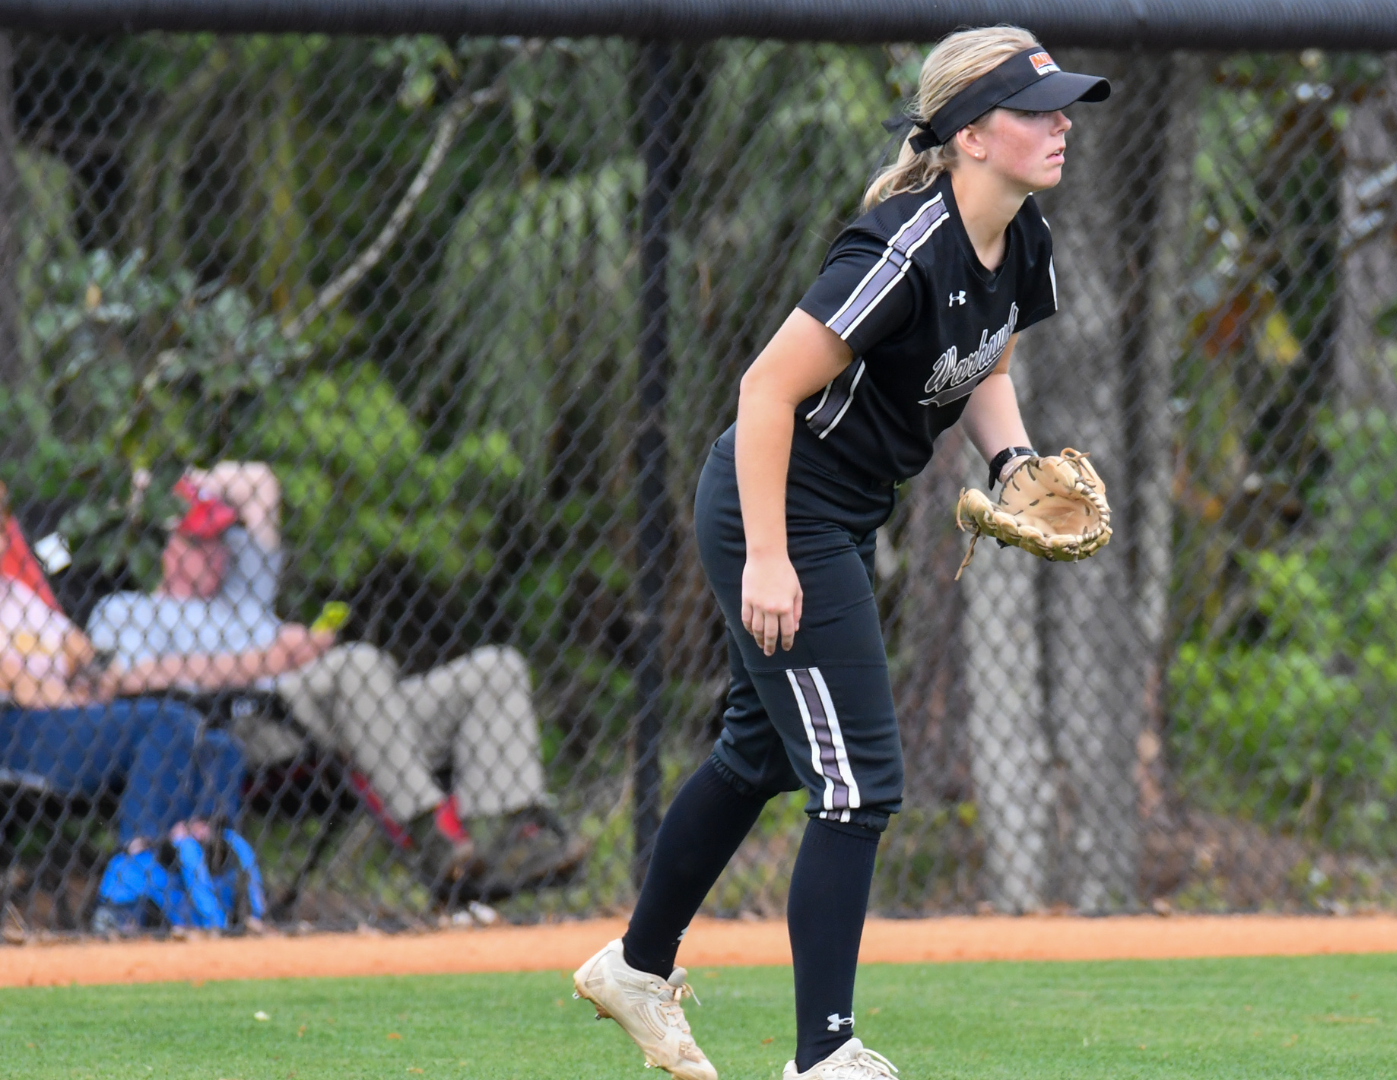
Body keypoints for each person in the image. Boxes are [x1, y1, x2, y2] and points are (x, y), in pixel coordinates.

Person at [570, 27, 1109, 1080]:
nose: (1060, 124)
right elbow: (766, 390)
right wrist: (769, 557)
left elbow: (984, 360)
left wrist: (1013, 464)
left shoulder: (1020, 234)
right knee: (858, 781)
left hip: (837, 511)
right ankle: (824, 1056)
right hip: (778, 503)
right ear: (967, 133)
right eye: (1036, 107)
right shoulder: (903, 247)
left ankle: (636, 968)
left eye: (1063, 106)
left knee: (759, 752)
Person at [85, 462, 584, 896]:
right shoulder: (129, 610)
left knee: (496, 667)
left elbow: (260, 483)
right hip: (256, 724)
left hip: (356, 715)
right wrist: (267, 660)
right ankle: (432, 839)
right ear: (168, 545)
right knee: (358, 664)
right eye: (199, 543)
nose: (216, 555)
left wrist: (183, 480)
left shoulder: (242, 597)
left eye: (221, 543)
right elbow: (115, 683)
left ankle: (515, 835)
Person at [0, 480, 246, 848]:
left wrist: (92, 680)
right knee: (168, 720)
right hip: (18, 731)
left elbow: (86, 653)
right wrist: (80, 689)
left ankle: (200, 874)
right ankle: (134, 873)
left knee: (221, 748)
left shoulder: (15, 593)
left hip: (66, 718)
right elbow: (25, 687)